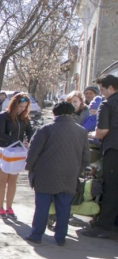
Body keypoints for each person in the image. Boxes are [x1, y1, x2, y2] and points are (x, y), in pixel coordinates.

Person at [24, 102, 90, 246]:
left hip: (45, 173)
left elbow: (33, 152)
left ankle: (36, 235)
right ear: (72, 113)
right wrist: (77, 170)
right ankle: (61, 237)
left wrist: (30, 167)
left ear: (54, 113)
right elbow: (86, 157)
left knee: (42, 206)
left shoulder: (45, 129)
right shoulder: (81, 131)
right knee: (64, 206)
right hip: (69, 174)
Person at [83, 75, 118, 238]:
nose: (102, 93)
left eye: (103, 90)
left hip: (113, 150)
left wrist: (90, 134)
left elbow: (102, 131)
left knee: (111, 188)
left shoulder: (108, 104)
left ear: (110, 88)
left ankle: (104, 226)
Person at [0, 92, 34, 219]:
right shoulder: (4, 116)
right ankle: (0, 208)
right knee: (3, 180)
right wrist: (14, 140)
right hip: (4, 150)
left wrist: (28, 139)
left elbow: (30, 132)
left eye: (25, 107)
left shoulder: (24, 118)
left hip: (17, 152)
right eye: (20, 106)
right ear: (14, 104)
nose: (22, 109)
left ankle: (9, 207)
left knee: (13, 180)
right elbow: (0, 133)